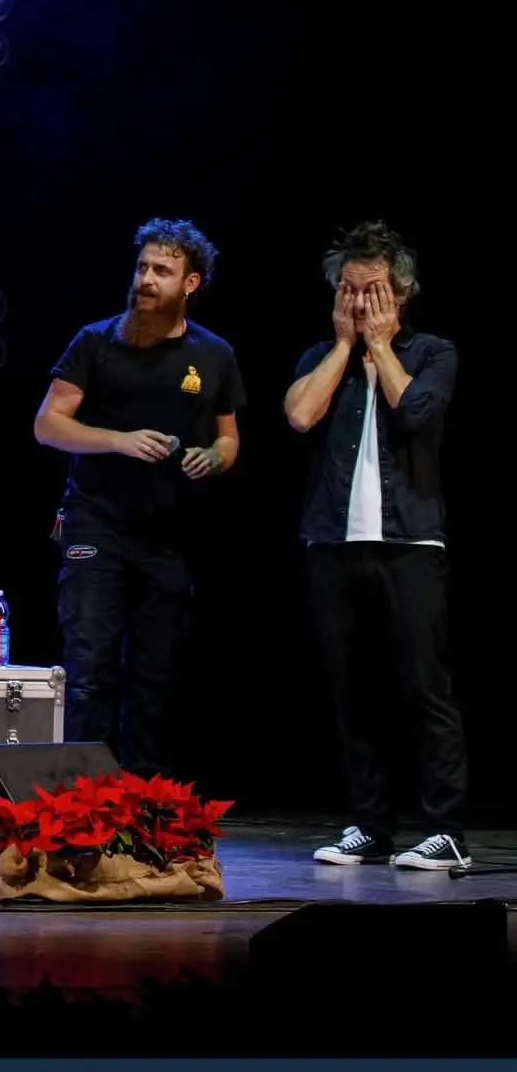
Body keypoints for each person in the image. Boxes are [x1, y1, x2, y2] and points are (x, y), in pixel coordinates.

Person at [33, 217, 244, 778]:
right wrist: (118, 441)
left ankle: (142, 807)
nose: (146, 279)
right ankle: (79, 803)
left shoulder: (214, 355)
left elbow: (229, 438)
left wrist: (215, 458)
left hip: (169, 534)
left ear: (190, 284)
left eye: (162, 271)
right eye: (142, 266)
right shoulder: (95, 341)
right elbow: (48, 425)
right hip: (96, 526)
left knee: (154, 677)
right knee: (89, 671)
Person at [284, 223, 467, 871]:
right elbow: (300, 415)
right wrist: (343, 346)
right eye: (350, 290)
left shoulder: (433, 352)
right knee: (351, 689)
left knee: (424, 687)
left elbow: (415, 413)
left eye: (374, 291)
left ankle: (445, 828)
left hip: (411, 543)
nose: (361, 304)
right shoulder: (319, 355)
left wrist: (383, 347)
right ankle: (371, 822)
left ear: (403, 294)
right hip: (333, 541)